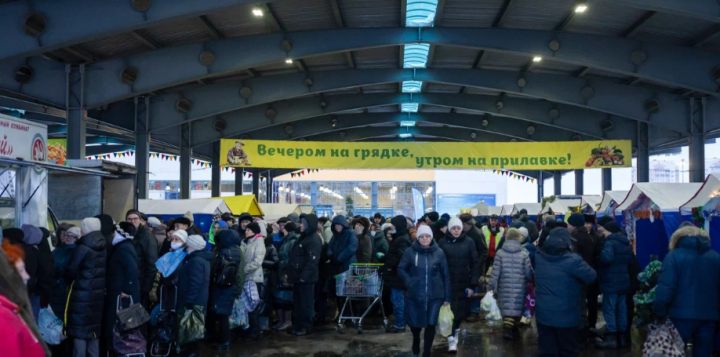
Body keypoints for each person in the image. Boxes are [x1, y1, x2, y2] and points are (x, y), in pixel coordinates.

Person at [654, 226, 720, 357]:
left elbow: (667, 286)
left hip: (680, 316)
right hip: (709, 316)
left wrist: (659, 310)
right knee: (704, 352)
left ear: (677, 239)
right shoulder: (715, 257)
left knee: (673, 352)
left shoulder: (673, 256)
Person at [535, 228, 597, 357]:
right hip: (566, 314)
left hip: (543, 313)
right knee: (568, 350)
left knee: (547, 351)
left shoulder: (538, 257)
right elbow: (591, 276)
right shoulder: (573, 260)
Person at [398, 225, 451, 357]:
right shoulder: (410, 252)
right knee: (415, 324)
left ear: (431, 237)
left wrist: (447, 297)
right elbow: (401, 268)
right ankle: (416, 339)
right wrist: (410, 281)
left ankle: (427, 351)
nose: (425, 239)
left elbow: (446, 275)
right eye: (422, 236)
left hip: (435, 294)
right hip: (415, 294)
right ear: (418, 237)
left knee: (431, 324)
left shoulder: (439, 252)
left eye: (427, 236)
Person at [65, 217, 107, 357]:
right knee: (93, 330)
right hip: (97, 293)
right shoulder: (103, 245)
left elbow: (71, 269)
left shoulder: (83, 247)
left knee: (80, 330)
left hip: (81, 293)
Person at [438, 216, 479, 353]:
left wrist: (472, 283)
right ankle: (451, 339)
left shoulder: (469, 242)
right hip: (447, 283)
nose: (456, 231)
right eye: (453, 228)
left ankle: (455, 331)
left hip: (463, 283)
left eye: (458, 228)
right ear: (449, 229)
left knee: (461, 312)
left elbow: (474, 263)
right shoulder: (442, 243)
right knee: (450, 311)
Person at [0, 241, 47, 357]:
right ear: (7, 277)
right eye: (21, 270)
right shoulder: (4, 316)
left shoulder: (13, 308)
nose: (26, 276)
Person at [488, 228, 533, 340]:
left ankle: (508, 328)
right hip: (520, 287)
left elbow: (495, 273)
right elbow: (529, 272)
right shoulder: (524, 254)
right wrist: (532, 280)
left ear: (506, 237)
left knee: (507, 307)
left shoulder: (500, 253)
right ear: (519, 238)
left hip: (504, 287)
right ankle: (513, 328)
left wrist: (490, 287)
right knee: (517, 308)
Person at [593, 221, 632, 349]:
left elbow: (607, 259)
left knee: (609, 309)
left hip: (611, 281)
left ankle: (611, 338)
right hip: (624, 280)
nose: (603, 233)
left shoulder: (610, 242)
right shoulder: (625, 242)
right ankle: (623, 338)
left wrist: (598, 258)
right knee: (621, 309)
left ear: (609, 231)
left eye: (604, 231)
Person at [104, 222, 141, 353]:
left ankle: (124, 351)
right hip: (121, 293)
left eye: (115, 232)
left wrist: (127, 289)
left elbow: (132, 269)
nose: (112, 235)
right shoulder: (124, 247)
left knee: (124, 328)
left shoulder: (124, 248)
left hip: (123, 297)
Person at [176, 234, 212, 357]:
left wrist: (190, 300)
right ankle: (192, 350)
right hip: (199, 298)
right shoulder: (202, 259)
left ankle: (193, 351)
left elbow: (195, 282)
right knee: (194, 325)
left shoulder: (195, 261)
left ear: (192, 246)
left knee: (193, 326)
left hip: (194, 299)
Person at [288, 214, 323, 336]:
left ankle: (306, 326)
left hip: (306, 279)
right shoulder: (304, 237)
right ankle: (298, 325)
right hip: (298, 277)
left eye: (302, 223)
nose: (300, 224)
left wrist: (304, 277)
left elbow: (312, 261)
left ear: (309, 224)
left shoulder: (313, 239)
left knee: (305, 304)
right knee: (298, 304)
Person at [210, 230, 243, 350]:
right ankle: (224, 339)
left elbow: (215, 268)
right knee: (224, 314)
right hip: (231, 284)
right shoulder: (237, 250)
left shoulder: (224, 252)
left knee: (222, 315)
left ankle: (224, 341)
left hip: (222, 286)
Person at [567, 213, 596, 345]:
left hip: (576, 276)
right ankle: (584, 332)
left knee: (577, 305)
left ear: (573, 225)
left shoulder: (574, 238)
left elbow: (571, 259)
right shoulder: (589, 237)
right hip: (585, 274)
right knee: (582, 304)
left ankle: (579, 335)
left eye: (568, 223)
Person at [50, 226, 79, 355]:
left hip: (69, 290)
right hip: (57, 291)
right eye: (66, 235)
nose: (67, 238)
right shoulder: (57, 251)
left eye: (71, 236)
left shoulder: (79, 251)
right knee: (57, 322)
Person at [384, 215, 412, 333]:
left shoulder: (402, 239)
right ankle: (401, 323)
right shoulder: (399, 237)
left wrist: (390, 264)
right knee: (397, 300)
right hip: (396, 275)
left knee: (398, 301)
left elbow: (401, 256)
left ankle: (400, 325)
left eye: (393, 225)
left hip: (398, 276)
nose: (391, 227)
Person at [126, 209, 159, 313]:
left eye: (135, 219)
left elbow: (152, 263)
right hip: (133, 282)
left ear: (140, 220)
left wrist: (146, 287)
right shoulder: (129, 234)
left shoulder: (147, 236)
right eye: (129, 219)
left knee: (139, 315)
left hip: (141, 283)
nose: (132, 221)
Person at [241, 222, 266, 340]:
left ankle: (255, 330)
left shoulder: (259, 242)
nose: (246, 231)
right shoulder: (244, 242)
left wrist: (243, 270)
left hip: (254, 278)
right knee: (246, 304)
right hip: (245, 278)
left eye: (249, 230)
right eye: (246, 229)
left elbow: (257, 262)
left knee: (253, 304)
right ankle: (248, 328)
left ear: (255, 231)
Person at [273, 221, 298, 331]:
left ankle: (287, 321)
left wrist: (285, 268)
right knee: (280, 298)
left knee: (286, 298)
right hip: (282, 272)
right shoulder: (286, 241)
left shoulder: (291, 241)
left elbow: (291, 258)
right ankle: (282, 320)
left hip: (286, 273)